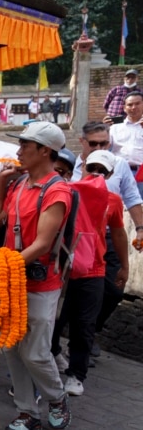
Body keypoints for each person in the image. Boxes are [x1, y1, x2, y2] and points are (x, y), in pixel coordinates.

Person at [0, 121, 71, 430]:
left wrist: (3, 266)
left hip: (40, 282)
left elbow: (42, 243)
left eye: (25, 145)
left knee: (35, 352)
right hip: (12, 280)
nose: (18, 151)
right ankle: (27, 411)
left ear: (45, 151)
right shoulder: (19, 185)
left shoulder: (57, 190)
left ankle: (56, 397)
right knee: (11, 347)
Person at [51, 150, 128, 397]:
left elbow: (118, 233)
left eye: (102, 171)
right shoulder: (68, 190)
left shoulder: (112, 200)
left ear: (110, 174)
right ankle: (53, 354)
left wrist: (124, 266)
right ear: (83, 166)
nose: (96, 173)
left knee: (84, 325)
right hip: (62, 268)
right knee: (52, 321)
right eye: (92, 167)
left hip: (94, 269)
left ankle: (76, 374)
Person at [71, 121, 143, 360]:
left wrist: (141, 228)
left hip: (109, 236)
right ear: (82, 142)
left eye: (104, 143)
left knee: (112, 291)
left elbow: (132, 198)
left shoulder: (119, 165)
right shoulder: (70, 164)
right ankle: (76, 340)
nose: (99, 147)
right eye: (93, 143)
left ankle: (90, 331)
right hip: (76, 239)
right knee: (76, 293)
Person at [108, 90, 143, 197]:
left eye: (137, 104)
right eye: (130, 104)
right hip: (120, 172)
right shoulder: (115, 127)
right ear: (124, 108)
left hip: (141, 173)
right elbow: (106, 147)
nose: (133, 107)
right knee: (119, 205)